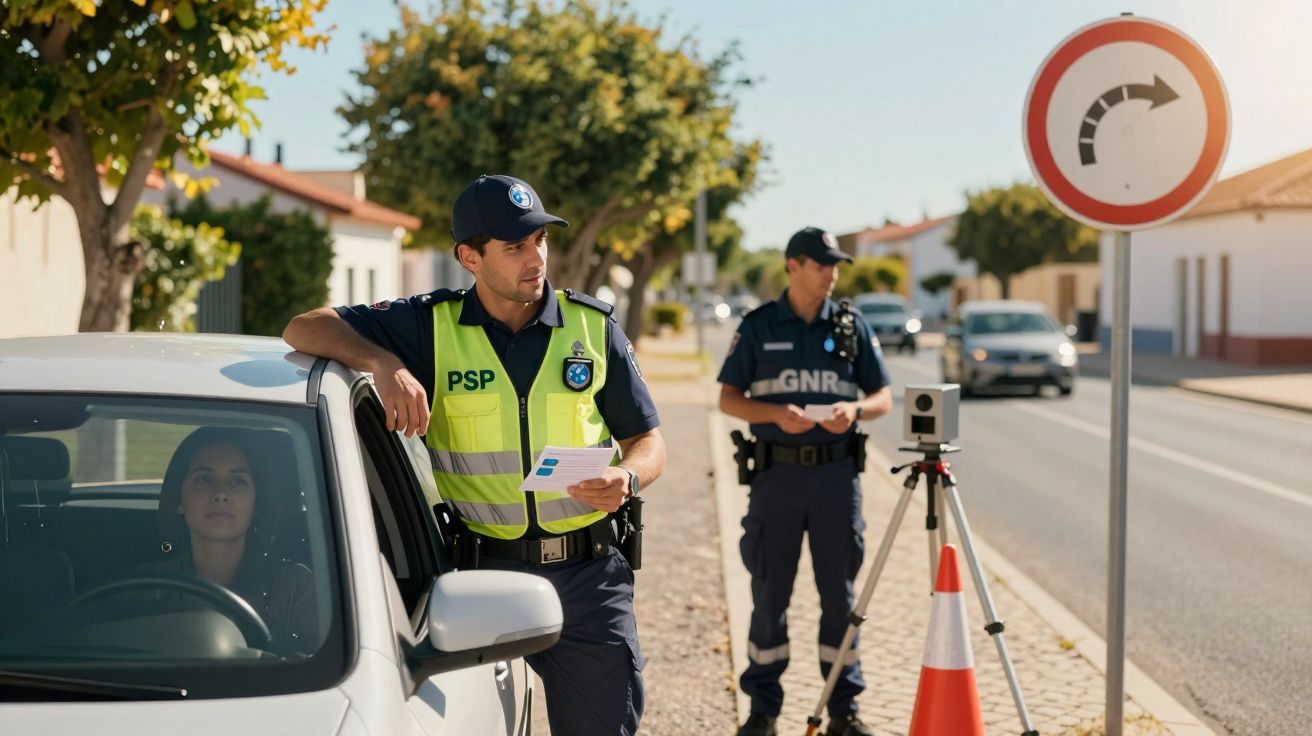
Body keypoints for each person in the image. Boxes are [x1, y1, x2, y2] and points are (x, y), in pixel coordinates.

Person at [282, 174, 666, 735]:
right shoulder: (426, 326)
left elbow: (650, 441)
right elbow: (302, 328)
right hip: (479, 579)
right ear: (469, 256)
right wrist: (382, 362)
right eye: (514, 247)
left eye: (540, 241)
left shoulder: (593, 328)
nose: (535, 259)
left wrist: (627, 478)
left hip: (589, 578)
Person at [717, 227, 893, 736]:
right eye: (822, 265)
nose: (832, 275)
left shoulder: (850, 325)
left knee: (839, 595)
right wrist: (775, 413)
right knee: (770, 593)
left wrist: (855, 408)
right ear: (793, 266)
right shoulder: (758, 326)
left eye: (836, 266)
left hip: (837, 478)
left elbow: (882, 396)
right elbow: (729, 398)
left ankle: (844, 709)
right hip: (776, 479)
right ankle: (764, 710)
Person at [152, 427, 318, 655]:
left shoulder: (297, 590)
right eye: (204, 479)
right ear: (178, 499)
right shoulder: (148, 588)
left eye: (237, 482)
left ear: (257, 504)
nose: (220, 493)